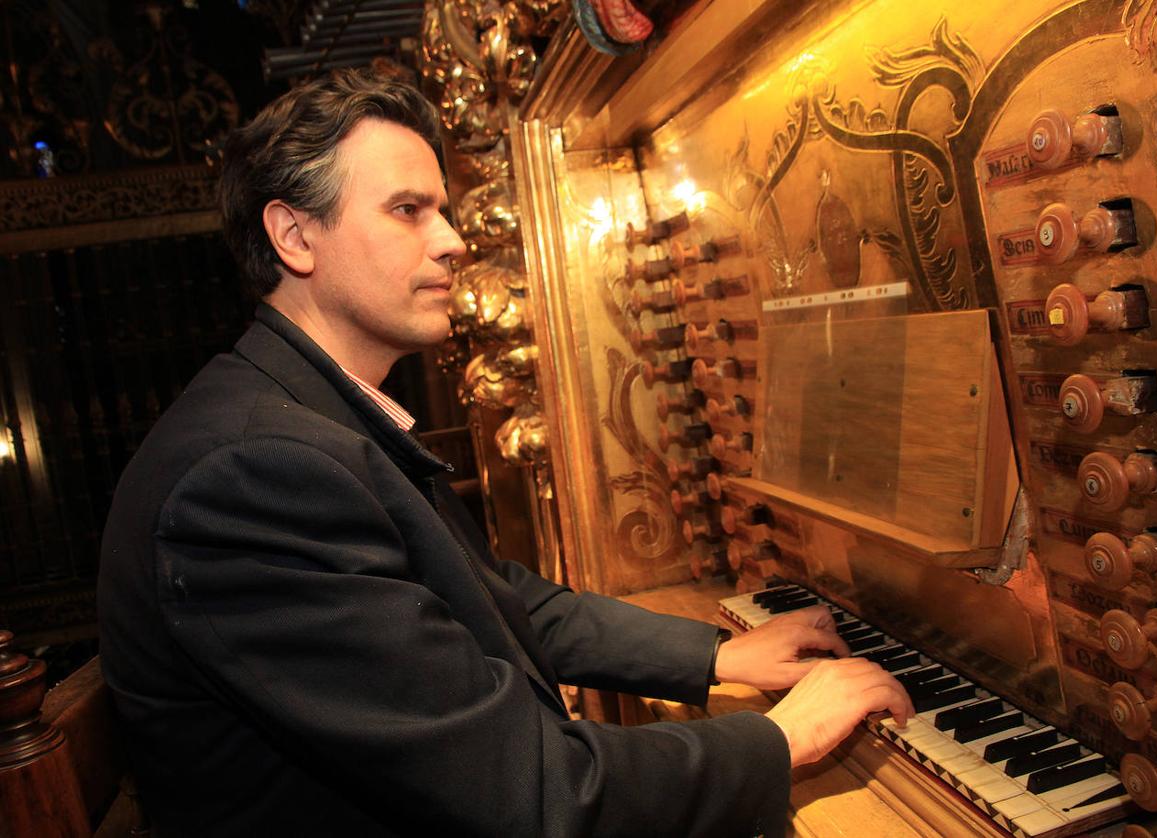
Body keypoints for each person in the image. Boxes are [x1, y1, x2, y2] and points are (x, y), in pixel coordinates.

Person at [97, 68, 912, 837]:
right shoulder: (253, 473)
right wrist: (781, 743)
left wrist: (714, 653)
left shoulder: (303, 415)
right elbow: (534, 795)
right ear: (294, 236)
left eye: (444, 210)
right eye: (408, 210)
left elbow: (487, 598)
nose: (452, 241)